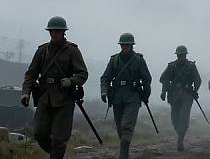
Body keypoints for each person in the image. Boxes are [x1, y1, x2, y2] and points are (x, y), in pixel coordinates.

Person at [21, 17, 88, 159]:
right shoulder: (42, 51)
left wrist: (71, 81)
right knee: (40, 133)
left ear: (63, 32)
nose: (54, 34)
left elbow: (83, 74)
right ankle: (56, 154)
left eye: (57, 31)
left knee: (59, 138)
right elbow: (31, 74)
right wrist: (25, 93)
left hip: (64, 99)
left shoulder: (72, 51)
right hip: (45, 98)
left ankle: (56, 154)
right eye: (51, 31)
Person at [100, 33, 152, 159]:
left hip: (133, 96)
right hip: (117, 97)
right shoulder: (114, 60)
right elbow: (105, 78)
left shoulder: (139, 60)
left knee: (126, 125)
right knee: (119, 127)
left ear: (132, 45)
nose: (125, 47)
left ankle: (123, 152)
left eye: (127, 45)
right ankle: (125, 147)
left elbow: (147, 79)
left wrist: (146, 94)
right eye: (123, 45)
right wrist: (104, 92)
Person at [160, 45, 201, 151]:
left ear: (185, 55)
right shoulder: (171, 66)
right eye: (179, 55)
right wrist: (164, 92)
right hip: (174, 95)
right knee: (174, 118)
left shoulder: (191, 66)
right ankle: (180, 133)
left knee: (184, 117)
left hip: (187, 95)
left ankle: (180, 139)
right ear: (177, 55)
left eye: (182, 55)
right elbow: (163, 78)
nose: (181, 57)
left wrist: (195, 91)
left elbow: (198, 80)